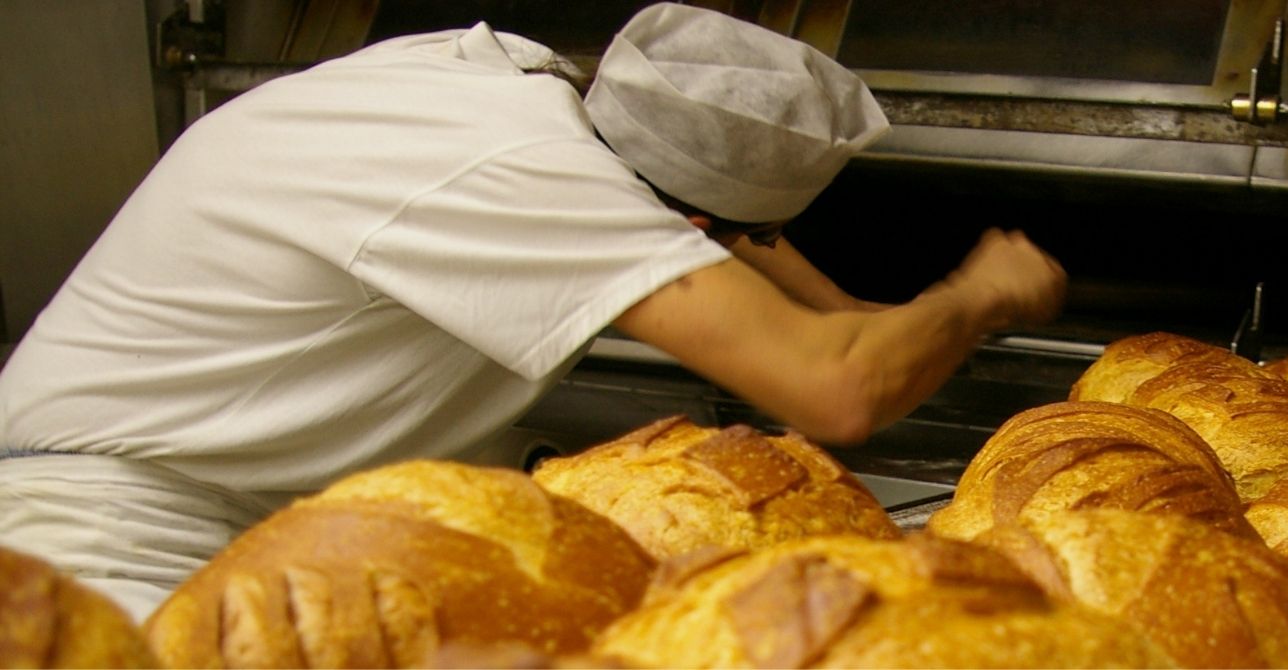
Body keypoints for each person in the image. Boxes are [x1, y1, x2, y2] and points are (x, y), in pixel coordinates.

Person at [0, 2, 1065, 621]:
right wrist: (976, 295)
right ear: (682, 215)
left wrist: (880, 313)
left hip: (260, 518)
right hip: (106, 533)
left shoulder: (503, 87)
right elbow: (835, 386)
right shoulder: (522, 176)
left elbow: (755, 250)